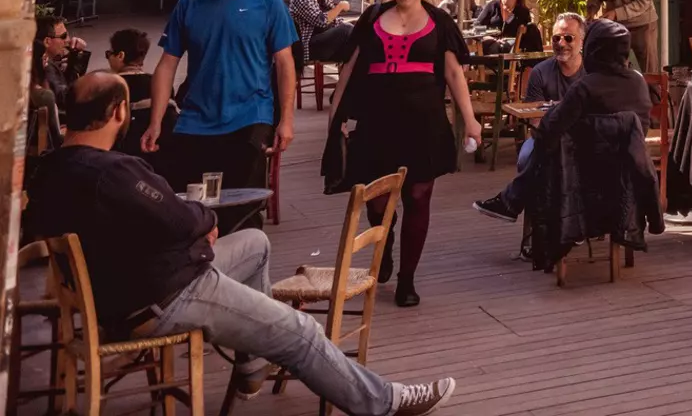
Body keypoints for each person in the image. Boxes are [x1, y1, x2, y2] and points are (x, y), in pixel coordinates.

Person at [26, 73, 454, 416]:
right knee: (299, 331)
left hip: (120, 292)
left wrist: (190, 228)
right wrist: (205, 220)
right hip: (165, 294)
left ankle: (251, 364)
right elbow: (178, 218)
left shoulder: (48, 173)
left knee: (254, 243)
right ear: (119, 112)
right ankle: (382, 402)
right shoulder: (113, 172)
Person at [328, 0, 483, 308]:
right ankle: (385, 248)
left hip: (423, 123)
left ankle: (407, 280)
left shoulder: (439, 21)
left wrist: (471, 119)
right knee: (378, 201)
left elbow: (454, 75)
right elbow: (350, 67)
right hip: (378, 121)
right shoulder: (372, 18)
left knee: (418, 196)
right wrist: (335, 115)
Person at [143, 0, 297, 209]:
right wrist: (155, 122)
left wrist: (286, 119)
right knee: (194, 208)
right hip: (196, 119)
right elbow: (167, 64)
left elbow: (285, 64)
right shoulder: (188, 4)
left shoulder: (267, 2)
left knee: (243, 207)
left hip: (250, 116)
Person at [476, 19, 657, 227]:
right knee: (544, 150)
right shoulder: (638, 82)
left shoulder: (587, 86)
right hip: (628, 170)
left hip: (584, 172)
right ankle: (513, 203)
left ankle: (522, 214)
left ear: (590, 47)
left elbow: (548, 129)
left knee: (544, 151)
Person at [471, 13, 587, 220]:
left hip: (582, 138)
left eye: (568, 38)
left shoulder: (592, 73)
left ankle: (514, 205)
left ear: (582, 42)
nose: (561, 43)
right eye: (556, 38)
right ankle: (556, 224)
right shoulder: (541, 72)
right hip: (546, 137)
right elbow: (536, 123)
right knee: (528, 156)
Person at [288, 0, 352, 64]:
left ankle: (353, 74)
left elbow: (332, 20)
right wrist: (340, 7)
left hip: (321, 41)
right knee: (346, 30)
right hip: (306, 47)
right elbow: (321, 21)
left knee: (355, 31)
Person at [33, 13, 89, 116]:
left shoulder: (42, 60)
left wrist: (75, 55)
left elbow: (65, 83)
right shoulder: (45, 66)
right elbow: (67, 98)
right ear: (47, 42)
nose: (68, 40)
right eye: (63, 36)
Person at [476, 0, 543, 52]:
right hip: (491, 49)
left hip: (511, 52)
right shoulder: (493, 6)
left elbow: (525, 38)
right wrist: (491, 39)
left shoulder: (523, 12)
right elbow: (476, 28)